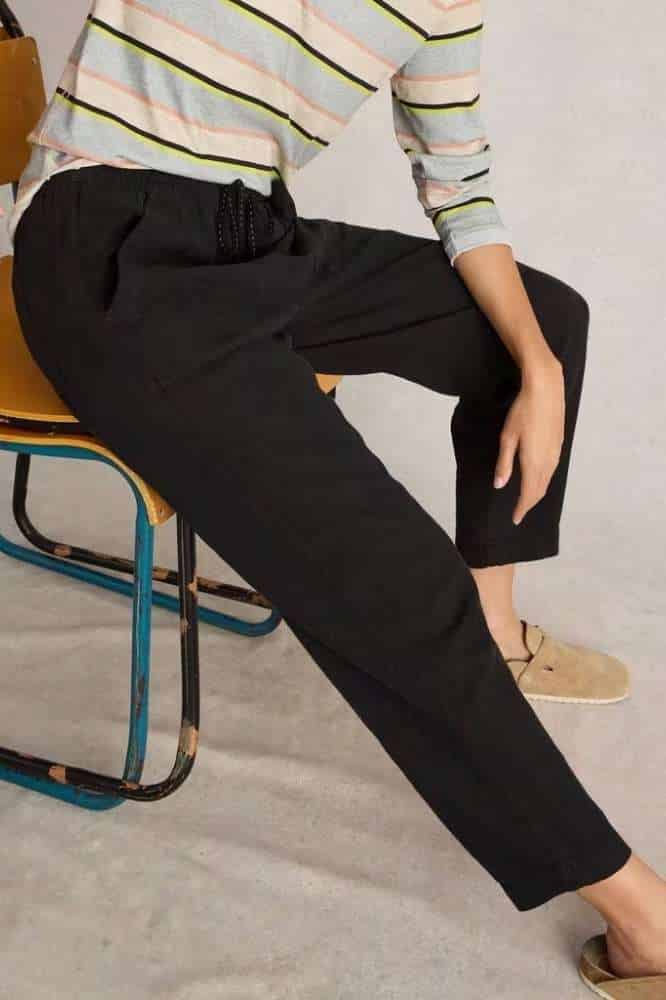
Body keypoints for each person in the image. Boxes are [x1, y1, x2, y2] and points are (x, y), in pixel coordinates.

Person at [7, 0, 666, 987]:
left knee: (543, 324)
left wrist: (536, 365)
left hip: (254, 240)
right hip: (109, 242)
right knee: (399, 580)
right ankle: (642, 916)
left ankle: (496, 635)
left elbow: (461, 185)